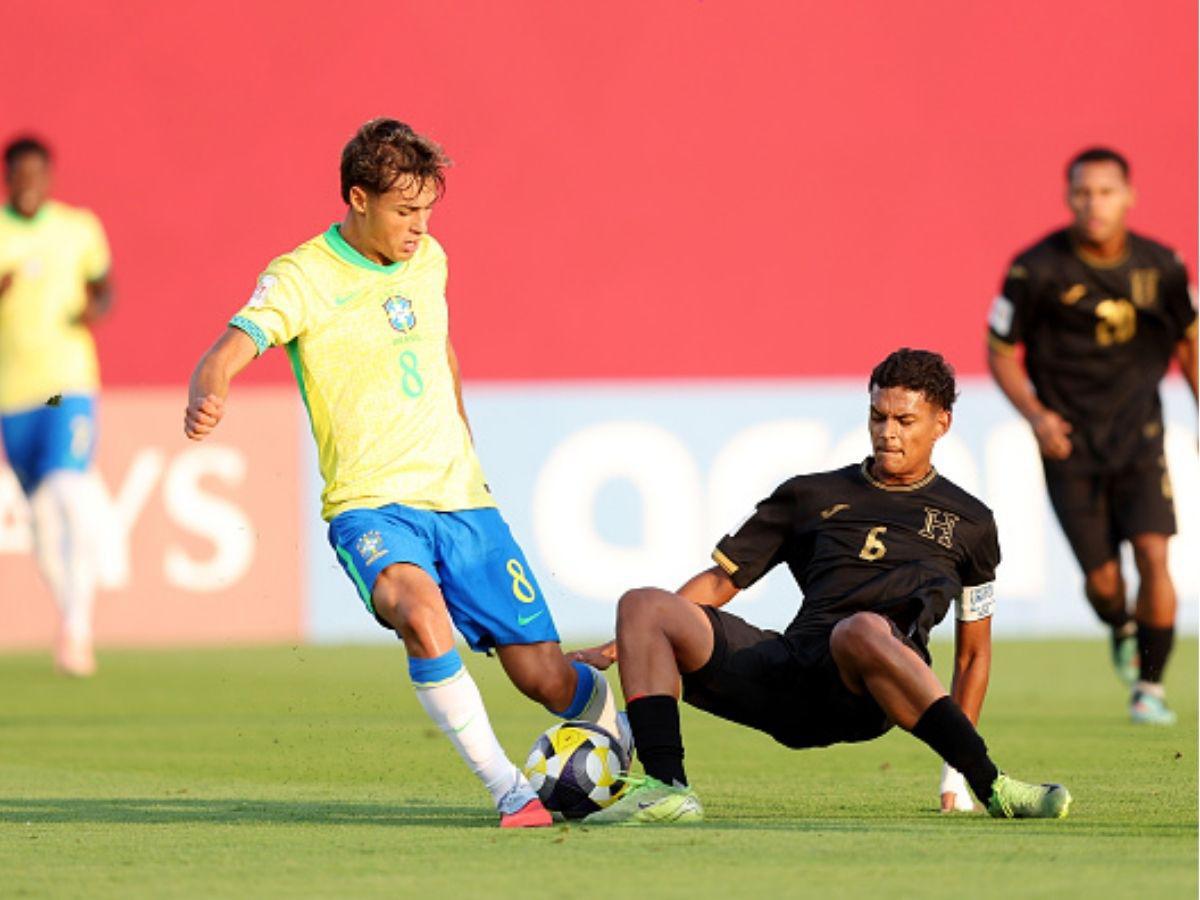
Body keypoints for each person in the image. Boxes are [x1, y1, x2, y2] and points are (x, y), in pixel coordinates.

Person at [184, 118, 622, 828]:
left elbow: (440, 353)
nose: (419, 228)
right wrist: (212, 388)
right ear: (358, 198)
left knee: (541, 675)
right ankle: (511, 791)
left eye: (427, 211)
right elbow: (232, 345)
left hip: (463, 501)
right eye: (403, 211)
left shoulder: (430, 261)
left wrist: (466, 442)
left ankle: (615, 729)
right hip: (372, 507)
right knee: (422, 616)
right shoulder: (303, 276)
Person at [575, 349, 1071, 825]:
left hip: (871, 689)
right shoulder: (811, 495)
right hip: (790, 674)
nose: (887, 433)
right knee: (641, 604)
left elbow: (972, 657)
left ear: (941, 423)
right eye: (878, 416)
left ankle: (994, 785)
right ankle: (667, 788)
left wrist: (955, 775)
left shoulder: (972, 523)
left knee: (859, 631)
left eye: (904, 421)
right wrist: (624, 646)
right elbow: (723, 581)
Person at [987, 147, 1197, 725]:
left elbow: (1190, 342)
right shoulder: (1036, 269)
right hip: (1068, 443)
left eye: (1106, 192)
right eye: (1083, 192)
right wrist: (1036, 416)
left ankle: (1150, 688)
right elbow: (1000, 352)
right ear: (1068, 197)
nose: (1094, 204)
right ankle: (1121, 624)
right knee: (1105, 584)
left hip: (1139, 436)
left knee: (1155, 554)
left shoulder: (1164, 267)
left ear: (1128, 196)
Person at [0, 136, 112, 676]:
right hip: (15, 394)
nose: (27, 183)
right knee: (42, 518)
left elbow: (105, 289)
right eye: (18, 174)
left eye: (35, 173)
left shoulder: (78, 229)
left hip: (65, 384)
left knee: (70, 486)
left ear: (48, 176)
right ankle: (69, 616)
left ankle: (79, 625)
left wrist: (94, 306)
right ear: (7, 178)